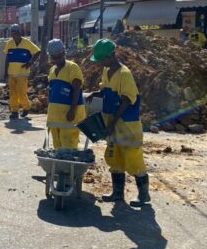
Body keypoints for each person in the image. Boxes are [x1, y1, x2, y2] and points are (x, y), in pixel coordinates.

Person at [86, 39, 149, 205]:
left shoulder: (124, 74)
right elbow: (106, 91)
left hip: (126, 124)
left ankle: (144, 195)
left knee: (133, 158)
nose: (99, 64)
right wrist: (96, 94)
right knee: (114, 158)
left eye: (101, 60)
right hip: (112, 124)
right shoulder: (107, 71)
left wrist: (113, 122)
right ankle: (118, 193)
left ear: (111, 56)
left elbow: (126, 100)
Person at [46, 39, 86, 150]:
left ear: (64, 53)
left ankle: (68, 166)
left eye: (59, 56)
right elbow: (51, 89)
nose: (57, 60)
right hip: (55, 115)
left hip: (69, 114)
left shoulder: (72, 67)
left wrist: (72, 109)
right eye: (54, 58)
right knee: (57, 144)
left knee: (68, 143)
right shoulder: (52, 70)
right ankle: (60, 166)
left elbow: (77, 89)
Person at [3, 24, 41, 119]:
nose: (14, 35)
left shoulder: (27, 43)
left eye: (16, 33)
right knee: (13, 93)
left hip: (22, 73)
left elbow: (37, 52)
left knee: (21, 92)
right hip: (11, 72)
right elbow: (7, 58)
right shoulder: (9, 43)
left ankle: (26, 107)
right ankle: (14, 111)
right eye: (13, 33)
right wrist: (5, 72)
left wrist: (30, 62)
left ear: (20, 33)